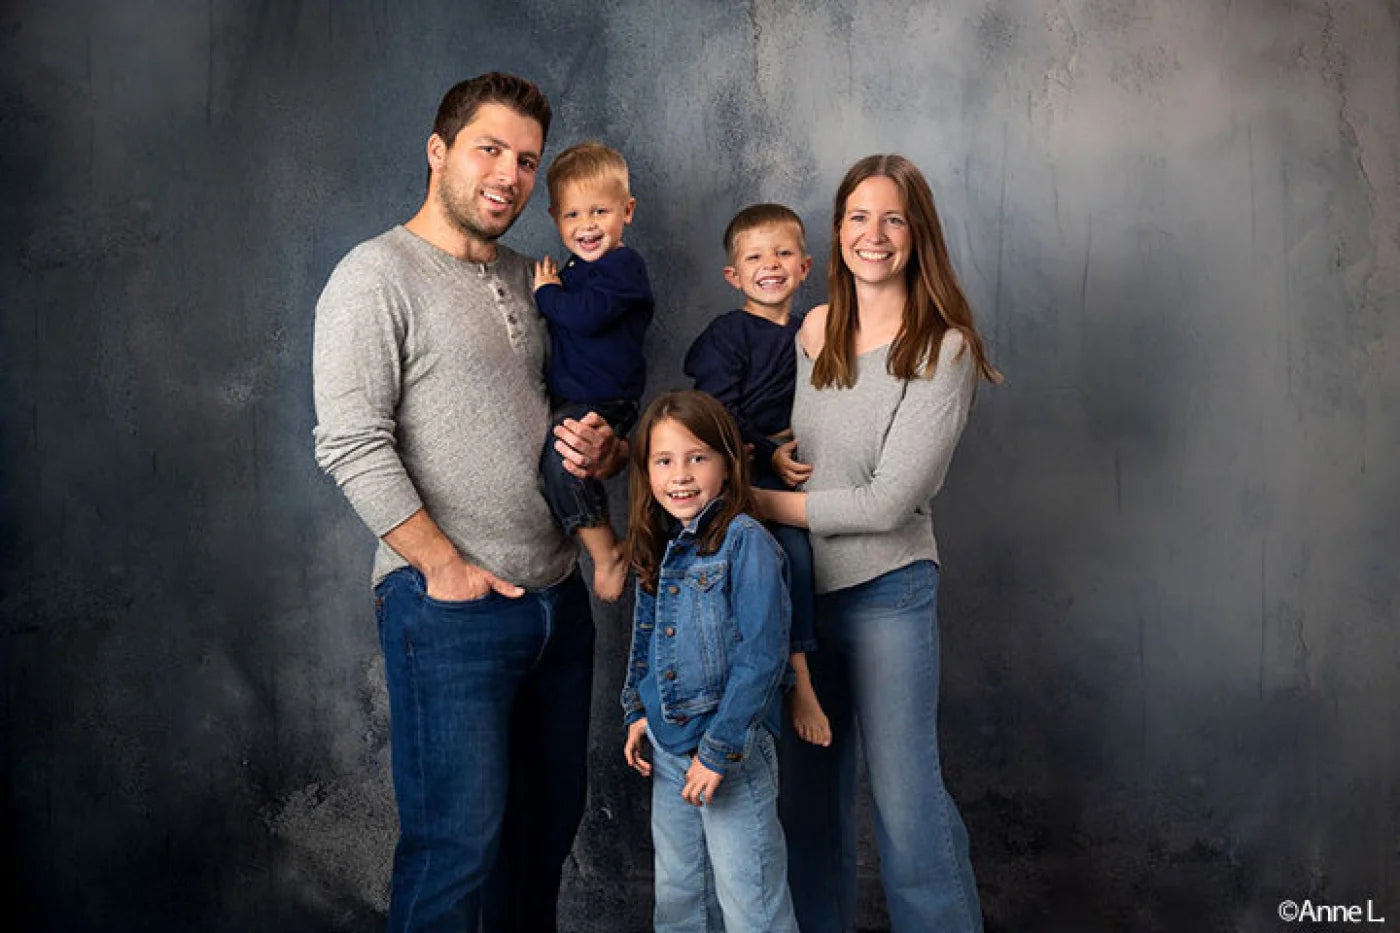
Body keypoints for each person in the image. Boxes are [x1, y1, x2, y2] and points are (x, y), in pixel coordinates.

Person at [311, 73, 624, 933]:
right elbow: (349, 441)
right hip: (448, 612)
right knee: (455, 852)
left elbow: (589, 409)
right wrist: (443, 567)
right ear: (439, 151)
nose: (510, 175)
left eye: (526, 160)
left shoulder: (544, 277)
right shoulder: (374, 277)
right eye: (489, 149)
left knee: (540, 844)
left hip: (559, 606)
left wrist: (611, 448)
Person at [753, 154, 1002, 933]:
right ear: (836, 232)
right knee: (809, 807)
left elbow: (889, 500)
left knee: (907, 803)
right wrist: (770, 458)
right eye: (858, 216)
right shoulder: (815, 327)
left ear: (917, 232)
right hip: (799, 604)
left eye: (893, 217)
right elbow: (802, 442)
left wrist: (755, 500)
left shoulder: (944, 347)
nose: (874, 233)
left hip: (888, 591)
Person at [619, 390, 799, 933]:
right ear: (646, 471)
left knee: (752, 905)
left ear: (728, 463)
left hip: (730, 754)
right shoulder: (663, 542)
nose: (681, 475)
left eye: (697, 458)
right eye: (663, 460)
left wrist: (718, 752)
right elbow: (649, 634)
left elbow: (762, 657)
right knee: (680, 896)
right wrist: (637, 708)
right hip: (670, 746)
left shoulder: (746, 543)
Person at [682, 204, 830, 746]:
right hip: (743, 476)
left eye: (784, 253)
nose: (771, 264)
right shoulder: (729, 335)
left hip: (797, 473)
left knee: (808, 559)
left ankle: (798, 667)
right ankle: (800, 680)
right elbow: (716, 413)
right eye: (755, 256)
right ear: (734, 275)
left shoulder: (811, 332)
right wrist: (768, 452)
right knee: (788, 555)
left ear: (806, 267)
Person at [532, 141, 654, 602]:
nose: (586, 227)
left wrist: (547, 295)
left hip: (606, 399)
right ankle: (600, 550)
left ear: (628, 210)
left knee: (567, 463)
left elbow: (585, 317)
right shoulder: (576, 268)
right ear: (554, 218)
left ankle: (608, 553)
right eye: (572, 216)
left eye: (600, 212)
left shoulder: (624, 267)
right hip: (576, 396)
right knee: (559, 462)